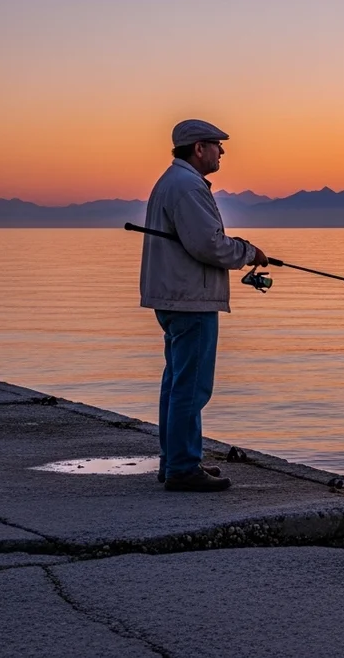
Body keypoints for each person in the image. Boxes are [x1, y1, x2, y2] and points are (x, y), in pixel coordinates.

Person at [139, 119, 267, 492]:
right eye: (216, 145)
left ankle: (177, 460)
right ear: (199, 148)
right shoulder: (187, 187)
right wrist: (247, 251)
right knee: (191, 386)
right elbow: (208, 245)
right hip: (189, 299)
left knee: (178, 382)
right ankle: (181, 467)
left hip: (176, 296)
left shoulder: (174, 183)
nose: (222, 151)